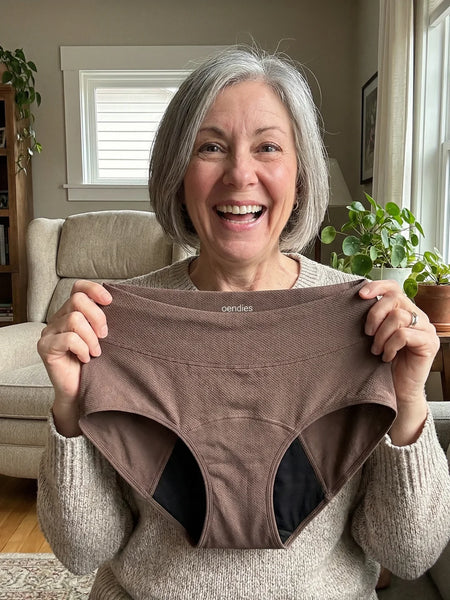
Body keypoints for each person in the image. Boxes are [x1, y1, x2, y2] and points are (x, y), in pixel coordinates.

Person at [37, 46, 450, 600]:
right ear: (178, 172)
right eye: (210, 147)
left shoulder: (363, 321)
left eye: (268, 147)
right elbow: (80, 553)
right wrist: (69, 407)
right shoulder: (113, 324)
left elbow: (409, 555)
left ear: (300, 173)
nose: (239, 174)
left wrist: (409, 401)